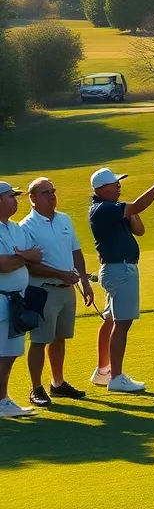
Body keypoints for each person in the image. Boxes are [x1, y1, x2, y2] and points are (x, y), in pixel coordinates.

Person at [88, 164, 154, 394]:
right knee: (122, 322)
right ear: (101, 188)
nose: (119, 186)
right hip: (120, 270)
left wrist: (130, 210)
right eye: (114, 183)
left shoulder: (113, 209)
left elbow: (140, 230)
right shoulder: (103, 208)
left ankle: (103, 371)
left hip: (117, 269)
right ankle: (116, 377)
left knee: (110, 320)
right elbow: (138, 206)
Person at [20, 178, 91, 407]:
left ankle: (57, 383)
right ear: (32, 198)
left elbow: (76, 251)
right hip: (43, 291)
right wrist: (60, 274)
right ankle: (36, 388)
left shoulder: (64, 219)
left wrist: (84, 281)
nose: (51, 196)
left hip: (66, 290)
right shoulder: (27, 226)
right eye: (45, 192)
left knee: (60, 338)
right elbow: (29, 265)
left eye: (53, 191)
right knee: (40, 340)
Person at [1, 182, 39, 418]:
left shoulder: (16, 228)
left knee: (10, 353)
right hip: (1, 299)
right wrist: (24, 257)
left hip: (17, 300)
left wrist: (21, 256)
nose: (15, 200)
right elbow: (2, 265)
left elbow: (36, 255)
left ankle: (2, 399)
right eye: (10, 196)